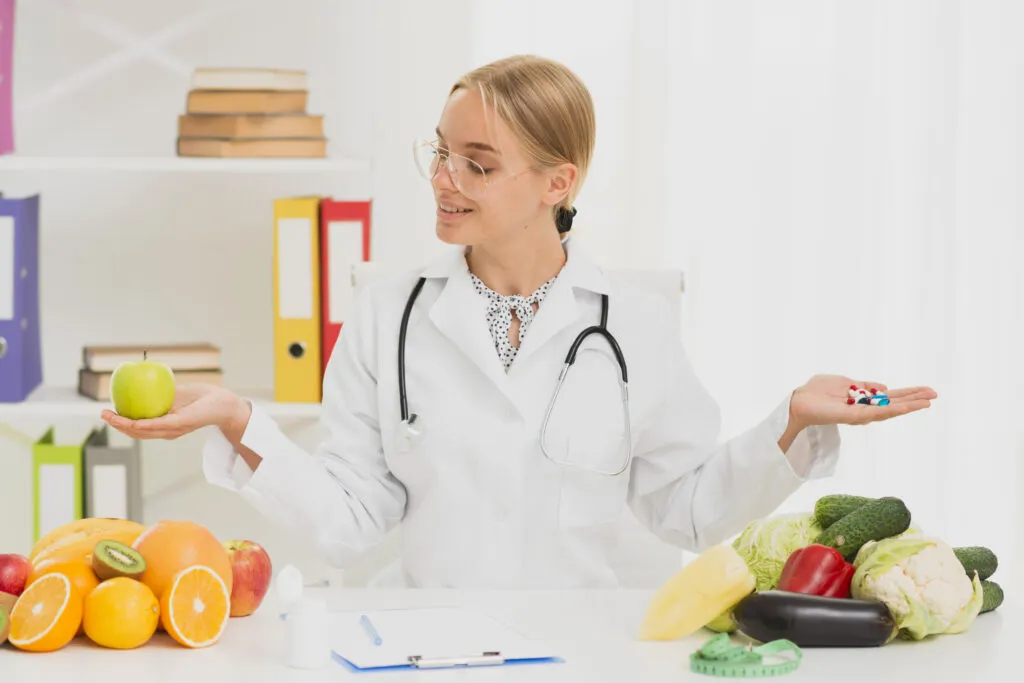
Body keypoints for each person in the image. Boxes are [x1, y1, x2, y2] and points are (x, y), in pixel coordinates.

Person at [101, 55, 936, 589]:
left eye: (479, 163)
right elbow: (353, 528)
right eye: (441, 153)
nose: (444, 179)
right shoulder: (387, 314)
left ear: (556, 182)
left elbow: (686, 513)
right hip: (427, 652)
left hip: (590, 655)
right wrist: (243, 422)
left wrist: (789, 421)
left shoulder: (632, 325)